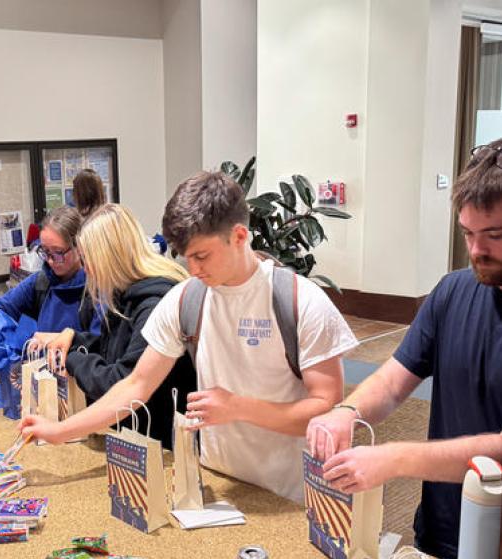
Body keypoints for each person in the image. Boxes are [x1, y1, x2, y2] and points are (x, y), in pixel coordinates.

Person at [22, 171, 357, 502]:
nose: (193, 269)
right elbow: (135, 385)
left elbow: (326, 408)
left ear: (239, 237)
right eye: (187, 257)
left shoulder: (300, 301)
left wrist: (238, 407)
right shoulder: (186, 299)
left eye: (202, 256)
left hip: (289, 496)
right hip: (214, 484)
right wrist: (60, 432)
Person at [307, 141, 502, 559]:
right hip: (442, 531)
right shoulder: (452, 292)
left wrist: (397, 458)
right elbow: (394, 381)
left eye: (494, 235)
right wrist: (348, 412)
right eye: (468, 233)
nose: (476, 251)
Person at [43, 203, 195, 449]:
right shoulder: (124, 295)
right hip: (136, 437)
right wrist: (76, 340)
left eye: (88, 260)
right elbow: (114, 350)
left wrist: (71, 358)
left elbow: (121, 382)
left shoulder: (154, 304)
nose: (85, 268)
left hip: (160, 447)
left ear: (107, 258)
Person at [0, 206, 100, 334]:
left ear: (79, 247)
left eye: (58, 253)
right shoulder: (40, 283)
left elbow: (98, 344)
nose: (50, 261)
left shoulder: (97, 290)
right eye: (45, 252)